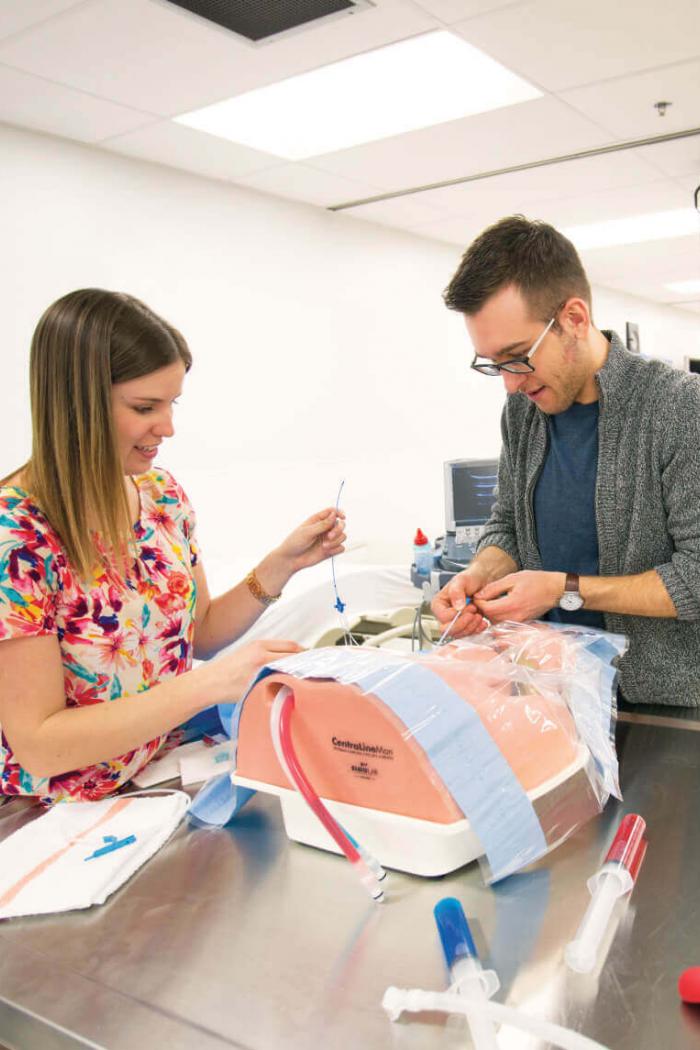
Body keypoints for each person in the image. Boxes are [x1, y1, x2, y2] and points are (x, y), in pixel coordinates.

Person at [0, 289, 346, 802]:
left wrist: (282, 565)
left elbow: (199, 633)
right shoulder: (18, 535)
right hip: (57, 809)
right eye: (145, 407)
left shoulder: (160, 496)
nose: (167, 428)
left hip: (152, 773)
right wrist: (207, 685)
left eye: (171, 403)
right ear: (77, 404)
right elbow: (41, 747)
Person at [432, 215, 700, 707]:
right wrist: (480, 573)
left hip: (659, 708)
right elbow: (508, 524)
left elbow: (697, 576)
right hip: (552, 690)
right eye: (493, 364)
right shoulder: (523, 411)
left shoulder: (679, 407)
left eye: (517, 356)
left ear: (574, 319)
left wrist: (564, 589)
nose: (510, 384)